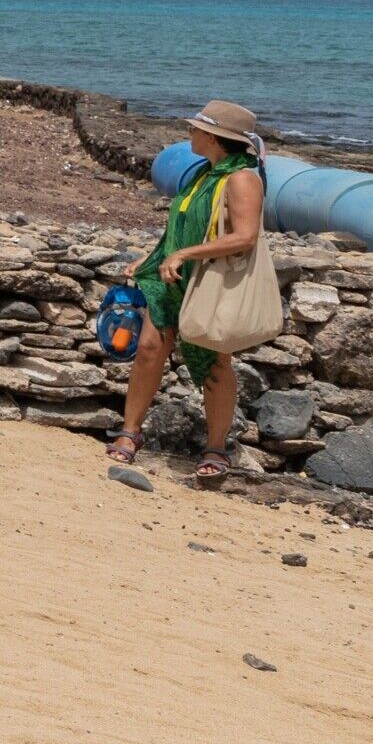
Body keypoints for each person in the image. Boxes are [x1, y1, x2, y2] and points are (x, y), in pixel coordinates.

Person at [109, 100, 269, 486]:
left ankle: (216, 448)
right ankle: (131, 431)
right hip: (171, 277)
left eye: (195, 129)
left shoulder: (242, 178)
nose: (190, 133)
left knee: (215, 361)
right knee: (149, 349)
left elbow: (245, 237)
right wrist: (151, 257)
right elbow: (179, 226)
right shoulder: (201, 172)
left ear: (214, 138)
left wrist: (186, 253)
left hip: (208, 281)